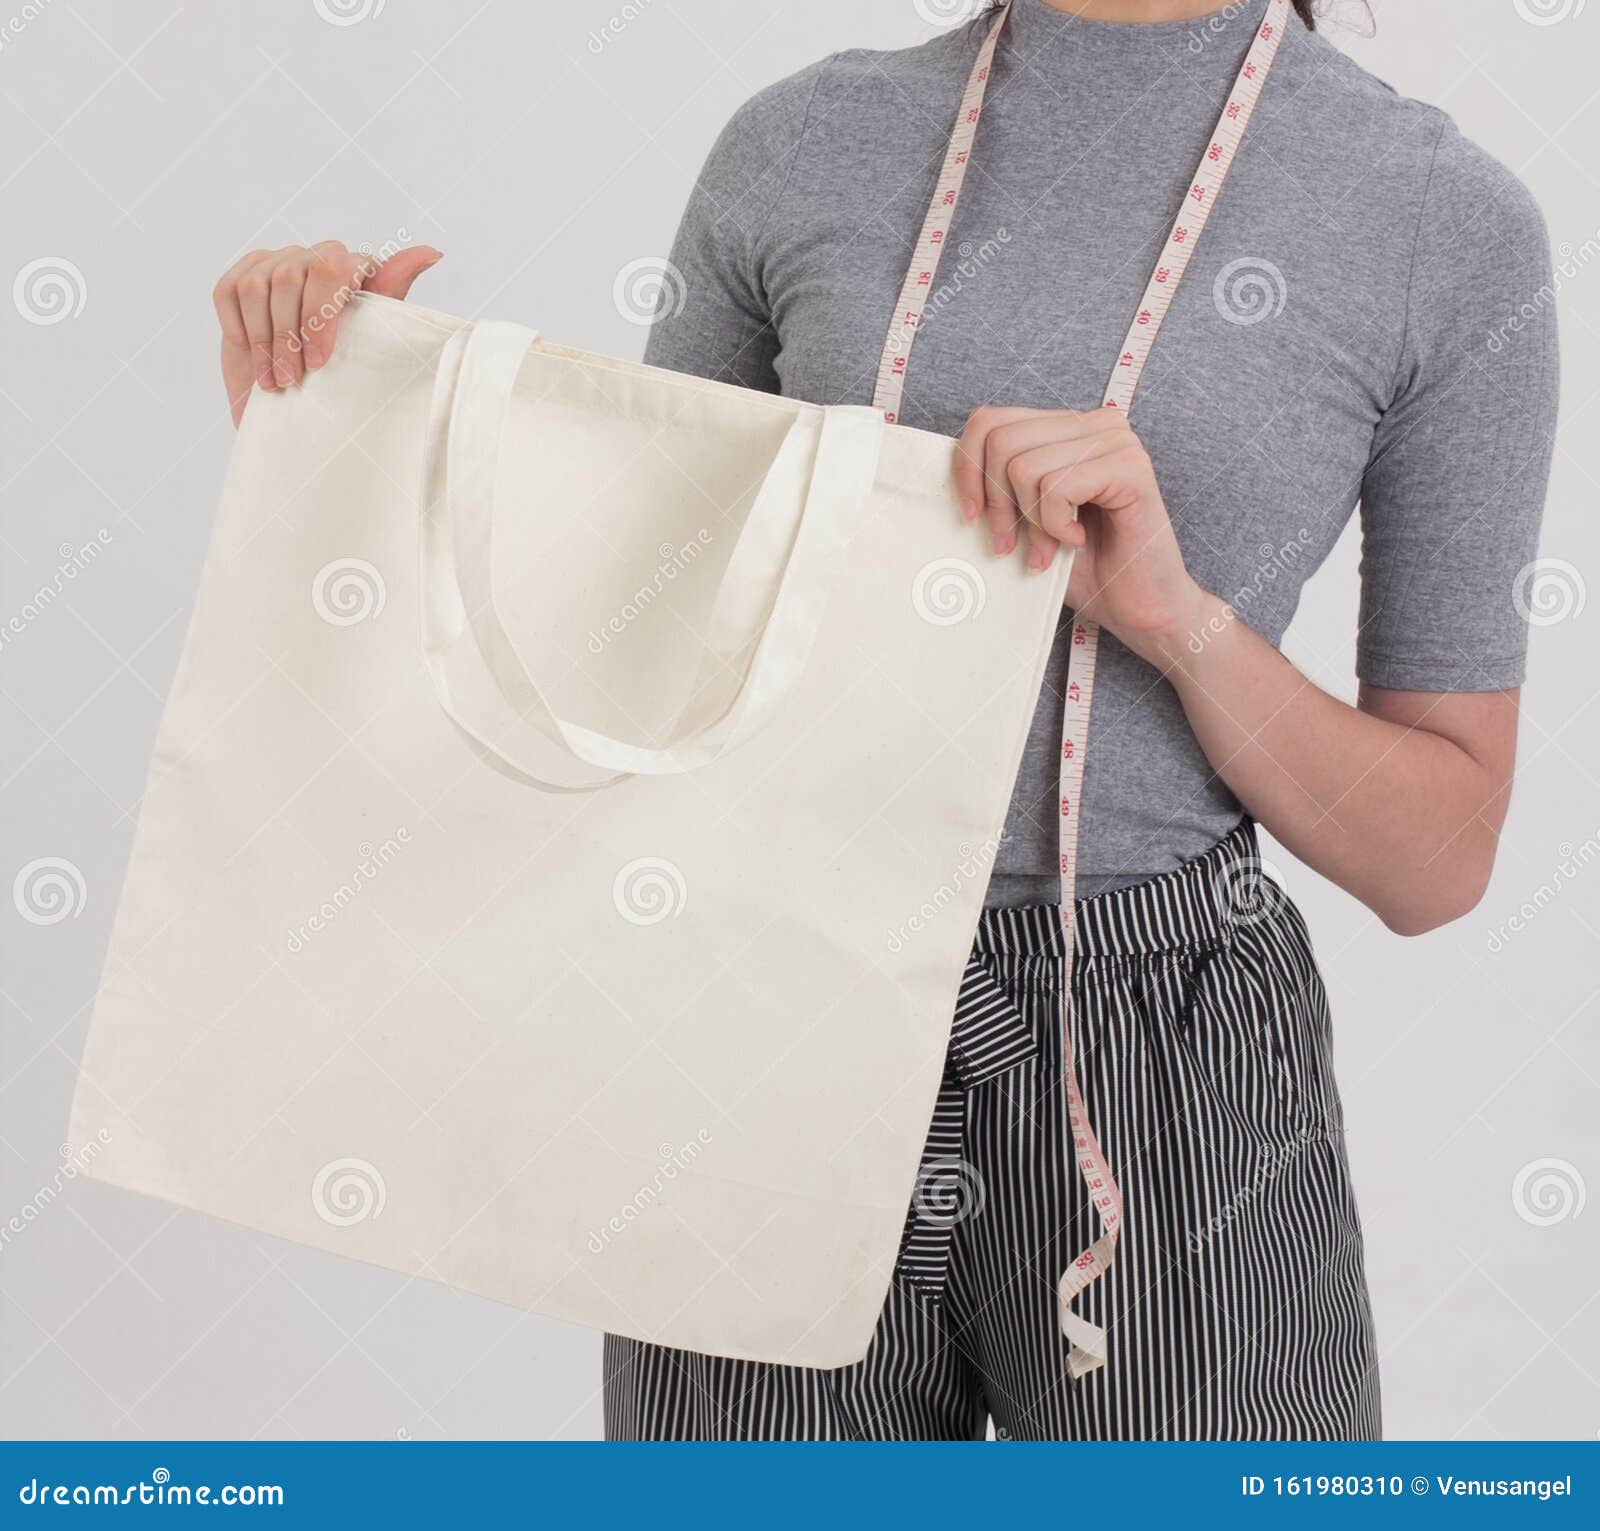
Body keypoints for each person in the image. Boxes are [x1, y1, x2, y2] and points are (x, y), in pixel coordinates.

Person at [209, 0, 1558, 1441]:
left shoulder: (1440, 221)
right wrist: (347, 425)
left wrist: (1174, 617)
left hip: (1169, 1063)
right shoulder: (802, 143)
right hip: (760, 1002)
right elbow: (632, 663)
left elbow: (1439, 859)